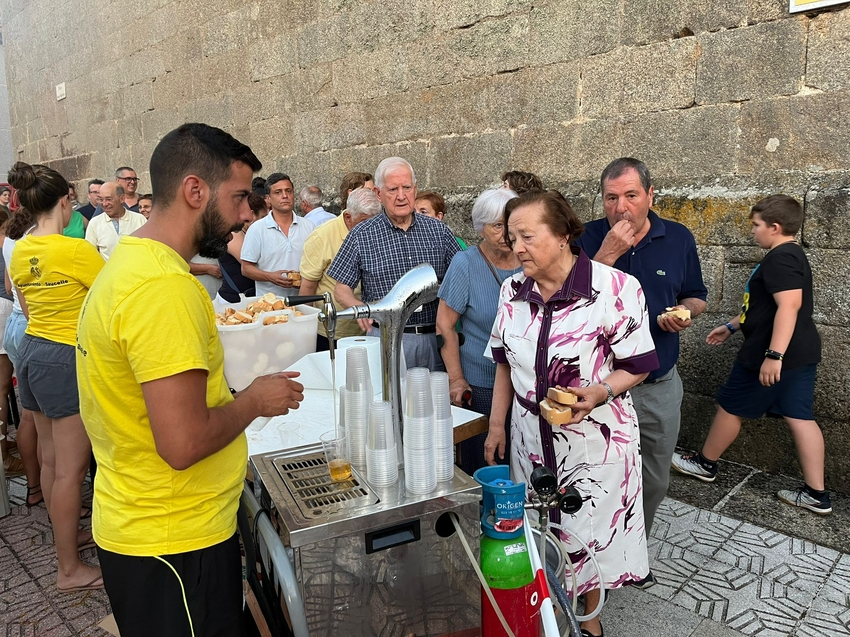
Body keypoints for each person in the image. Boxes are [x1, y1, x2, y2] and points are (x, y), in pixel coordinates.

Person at [77, 123, 305, 637]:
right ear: (195, 190)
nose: (249, 213)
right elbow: (182, 442)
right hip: (172, 541)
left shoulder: (130, 264)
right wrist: (253, 401)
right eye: (241, 197)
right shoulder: (163, 289)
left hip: (150, 527)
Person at [484, 190, 658, 637]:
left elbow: (636, 366)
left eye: (526, 236)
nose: (515, 247)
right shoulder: (512, 291)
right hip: (529, 436)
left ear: (562, 235)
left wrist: (599, 392)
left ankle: (589, 622)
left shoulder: (615, 289)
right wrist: (496, 425)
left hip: (595, 440)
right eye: (511, 236)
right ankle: (547, 615)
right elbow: (504, 361)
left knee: (591, 536)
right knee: (539, 531)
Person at [575, 158, 707, 585]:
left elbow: (696, 296)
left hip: (656, 385)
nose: (622, 206)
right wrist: (608, 252)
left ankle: (633, 551)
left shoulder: (678, 238)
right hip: (599, 385)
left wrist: (685, 312)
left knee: (653, 478)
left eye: (631, 195)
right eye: (612, 197)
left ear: (651, 195)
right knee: (597, 477)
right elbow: (572, 302)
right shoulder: (586, 238)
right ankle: (591, 560)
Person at [672, 195, 830, 515]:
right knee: (799, 416)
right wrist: (731, 326)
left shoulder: (781, 258)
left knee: (730, 405)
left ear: (774, 227)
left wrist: (774, 355)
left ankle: (705, 464)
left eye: (756, 225)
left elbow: (789, 306)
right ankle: (817, 494)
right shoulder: (790, 254)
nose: (753, 231)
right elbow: (765, 307)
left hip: (770, 352)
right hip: (800, 351)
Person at [8, 161, 105, 593]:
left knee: (50, 462)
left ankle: (65, 543)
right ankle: (68, 569)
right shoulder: (76, 251)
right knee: (71, 470)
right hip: (66, 358)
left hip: (31, 351)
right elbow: (110, 299)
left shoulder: (22, 249)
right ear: (66, 202)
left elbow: (29, 310)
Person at [328, 157, 460, 371]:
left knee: (435, 401)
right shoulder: (362, 235)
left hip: (435, 340)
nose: (401, 196)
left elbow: (461, 277)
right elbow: (341, 289)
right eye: (392, 189)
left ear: (415, 189)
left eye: (406, 187)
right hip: (384, 338)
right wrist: (359, 307)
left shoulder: (439, 231)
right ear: (379, 194)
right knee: (388, 402)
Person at [436, 188, 520, 474]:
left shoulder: (530, 259)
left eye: (510, 224)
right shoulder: (466, 263)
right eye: (498, 226)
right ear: (480, 228)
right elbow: (445, 324)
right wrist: (457, 380)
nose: (507, 234)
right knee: (486, 464)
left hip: (526, 383)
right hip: (482, 383)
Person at [299, 186, 381, 350]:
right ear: (349, 217)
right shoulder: (322, 236)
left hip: (371, 330)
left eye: (375, 222)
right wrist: (305, 333)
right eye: (364, 222)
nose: (370, 229)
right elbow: (307, 289)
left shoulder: (377, 232)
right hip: (332, 331)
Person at [3, 208, 42, 506]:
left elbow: (9, 286)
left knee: (29, 412)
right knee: (45, 418)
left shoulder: (10, 240)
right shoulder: (33, 241)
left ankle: (34, 486)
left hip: (16, 322)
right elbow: (29, 304)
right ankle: (45, 486)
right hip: (31, 324)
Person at [241, 173, 315, 296]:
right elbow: (246, 268)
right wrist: (270, 277)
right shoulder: (257, 229)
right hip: (270, 304)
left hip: (304, 302)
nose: (285, 196)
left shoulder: (309, 226)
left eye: (288, 191)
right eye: (278, 192)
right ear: (268, 199)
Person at [217, 192, 267, 303]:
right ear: (252, 216)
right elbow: (253, 263)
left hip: (247, 299)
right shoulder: (234, 235)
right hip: (232, 301)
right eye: (263, 217)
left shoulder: (248, 234)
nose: (266, 221)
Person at [85, 182, 147, 259]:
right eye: (101, 199)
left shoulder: (139, 219)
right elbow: (89, 254)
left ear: (121, 199)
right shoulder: (95, 223)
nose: (104, 204)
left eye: (108, 199)